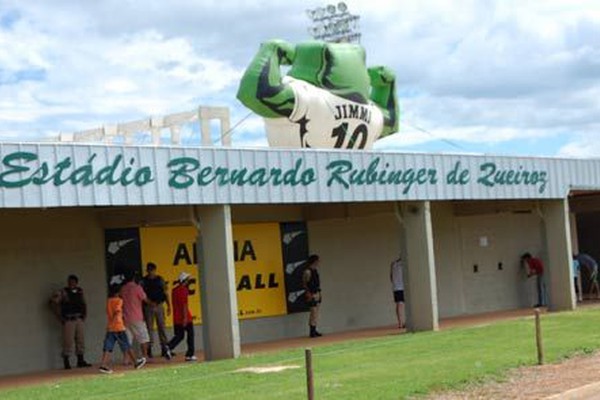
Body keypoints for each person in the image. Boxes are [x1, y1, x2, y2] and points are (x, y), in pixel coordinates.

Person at [99, 282, 147, 374]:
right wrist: (118, 319)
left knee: (108, 346)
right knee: (127, 345)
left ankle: (103, 364)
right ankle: (136, 362)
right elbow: (117, 311)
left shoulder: (109, 300)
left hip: (110, 327)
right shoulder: (119, 300)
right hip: (118, 327)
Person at [57, 275, 92, 369]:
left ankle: (80, 360)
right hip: (69, 319)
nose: (71, 283)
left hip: (78, 318)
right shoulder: (63, 292)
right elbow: (54, 302)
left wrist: (84, 314)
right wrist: (60, 317)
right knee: (68, 340)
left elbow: (84, 303)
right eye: (70, 282)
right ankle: (66, 361)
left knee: (80, 339)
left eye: (73, 282)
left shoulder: (80, 291)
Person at [141, 262, 171, 358]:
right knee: (149, 328)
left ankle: (164, 348)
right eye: (149, 270)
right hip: (148, 306)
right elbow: (142, 295)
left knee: (161, 327)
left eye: (152, 270)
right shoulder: (144, 281)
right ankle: (149, 348)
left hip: (159, 305)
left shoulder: (159, 279)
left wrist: (169, 305)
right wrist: (149, 303)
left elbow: (165, 292)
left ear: (154, 270)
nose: (150, 272)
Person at [120, 270, 151, 360]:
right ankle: (145, 356)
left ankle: (126, 359)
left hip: (126, 317)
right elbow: (145, 299)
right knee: (143, 337)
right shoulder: (137, 288)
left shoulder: (123, 288)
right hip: (137, 317)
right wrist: (153, 303)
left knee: (127, 340)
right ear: (133, 277)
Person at [166, 272, 196, 361]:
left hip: (177, 318)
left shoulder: (174, 290)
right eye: (187, 280)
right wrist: (185, 318)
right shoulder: (183, 290)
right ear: (185, 281)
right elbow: (184, 305)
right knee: (190, 336)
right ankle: (190, 355)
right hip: (185, 317)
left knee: (179, 335)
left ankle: (169, 346)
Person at [302, 254, 322, 338]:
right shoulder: (308, 271)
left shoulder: (315, 271)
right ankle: (312, 331)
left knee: (316, 312)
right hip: (311, 293)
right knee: (313, 312)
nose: (318, 262)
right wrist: (308, 293)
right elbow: (305, 283)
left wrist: (320, 294)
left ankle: (314, 330)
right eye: (317, 260)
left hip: (316, 292)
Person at [390, 255, 405, 329]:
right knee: (400, 304)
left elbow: (391, 277)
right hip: (401, 287)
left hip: (396, 287)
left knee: (399, 304)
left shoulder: (393, 264)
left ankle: (400, 323)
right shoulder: (403, 264)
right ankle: (401, 323)